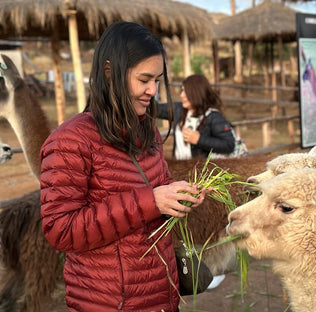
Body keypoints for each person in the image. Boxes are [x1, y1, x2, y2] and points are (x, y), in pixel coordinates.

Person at [39, 21, 209, 312]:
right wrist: (150, 202)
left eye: (157, 80)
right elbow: (61, 230)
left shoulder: (148, 132)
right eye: (144, 80)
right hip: (110, 303)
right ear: (109, 73)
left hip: (161, 297)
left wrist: (177, 198)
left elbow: (158, 197)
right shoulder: (71, 141)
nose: (153, 90)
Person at [158, 74, 235, 160]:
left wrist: (199, 140)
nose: (182, 95)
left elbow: (229, 144)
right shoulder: (178, 109)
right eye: (182, 91)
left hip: (201, 171)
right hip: (179, 168)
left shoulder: (213, 117)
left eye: (186, 91)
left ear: (196, 93)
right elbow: (155, 109)